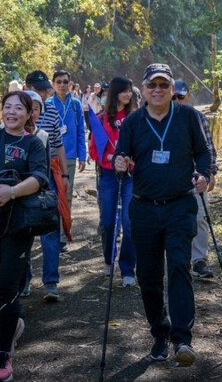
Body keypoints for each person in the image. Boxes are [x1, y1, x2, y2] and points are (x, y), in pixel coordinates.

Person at [114, 63, 211, 367]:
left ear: (172, 89)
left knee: (180, 266)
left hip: (180, 205)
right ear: (142, 90)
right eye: (152, 85)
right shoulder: (132, 122)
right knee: (149, 274)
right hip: (144, 208)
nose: (157, 90)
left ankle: (182, 338)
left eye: (163, 85)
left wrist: (205, 174)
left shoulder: (190, 117)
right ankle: (160, 332)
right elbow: (122, 154)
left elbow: (204, 152)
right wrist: (120, 162)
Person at [0, 37, 49, 382]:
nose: (12, 112)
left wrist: (12, 192)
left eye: (20, 108)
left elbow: (40, 179)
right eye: (9, 107)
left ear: (30, 114)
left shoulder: (32, 142)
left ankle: (3, 356)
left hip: (18, 224)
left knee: (7, 286)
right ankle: (10, 321)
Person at [24, 70, 71, 299]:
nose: (42, 94)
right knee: (22, 230)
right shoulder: (16, 110)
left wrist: (64, 175)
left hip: (50, 175)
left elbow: (59, 144)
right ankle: (23, 280)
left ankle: (51, 281)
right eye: (38, 90)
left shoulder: (51, 111)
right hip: (23, 177)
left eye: (44, 91)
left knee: (50, 228)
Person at [89, 77, 136, 287]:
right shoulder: (100, 119)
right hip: (108, 176)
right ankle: (109, 259)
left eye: (130, 91)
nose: (129, 94)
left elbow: (143, 146)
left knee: (129, 222)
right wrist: (110, 158)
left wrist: (130, 160)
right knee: (108, 223)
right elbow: (93, 149)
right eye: (125, 91)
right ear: (116, 92)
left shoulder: (135, 118)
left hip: (130, 177)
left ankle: (128, 269)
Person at [174, 80, 218, 278]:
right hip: (171, 177)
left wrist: (211, 173)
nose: (178, 100)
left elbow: (208, 148)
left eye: (181, 97)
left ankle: (199, 259)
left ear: (188, 96)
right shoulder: (162, 118)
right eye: (174, 97)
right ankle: (179, 259)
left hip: (196, 174)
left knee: (200, 216)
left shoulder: (198, 117)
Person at [46, 70, 86, 213]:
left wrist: (82, 156)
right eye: (59, 82)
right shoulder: (47, 104)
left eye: (65, 82)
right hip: (49, 156)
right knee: (50, 195)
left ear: (70, 85)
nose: (62, 85)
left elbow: (81, 131)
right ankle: (52, 232)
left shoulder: (76, 105)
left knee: (66, 195)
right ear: (53, 84)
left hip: (69, 156)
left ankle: (64, 233)